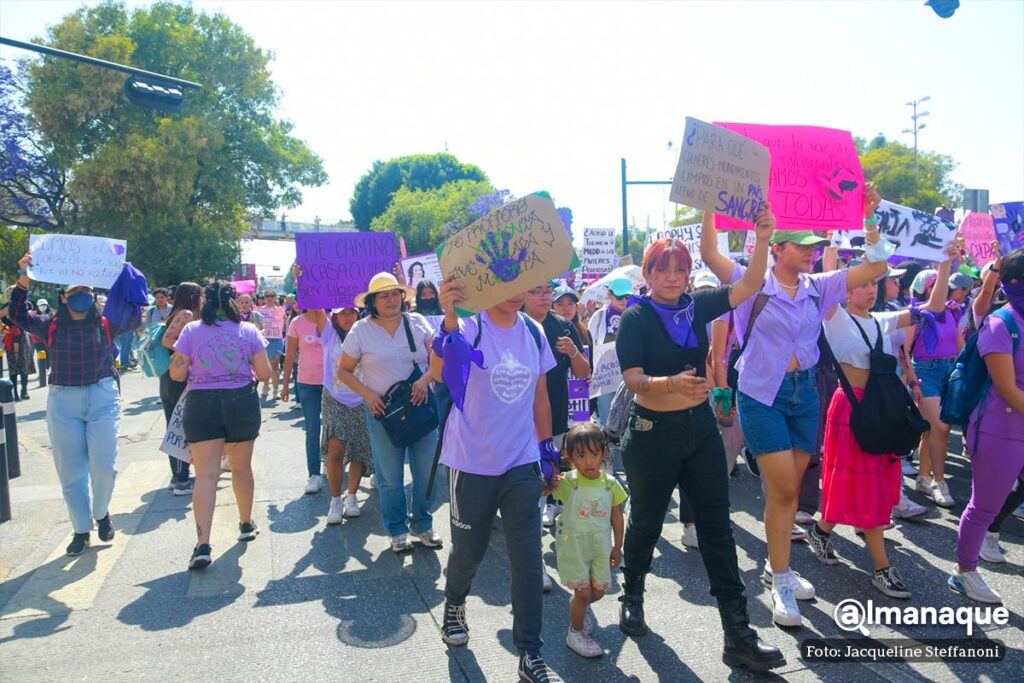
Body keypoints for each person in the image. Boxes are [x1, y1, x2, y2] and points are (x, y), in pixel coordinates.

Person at [701, 183, 891, 629]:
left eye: (816, 246)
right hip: (761, 393)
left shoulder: (820, 286)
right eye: (804, 246)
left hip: (805, 394)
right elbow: (711, 255)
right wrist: (712, 203)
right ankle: (782, 579)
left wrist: (870, 218)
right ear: (780, 247)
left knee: (788, 490)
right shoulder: (752, 282)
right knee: (785, 490)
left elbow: (877, 266)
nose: (813, 252)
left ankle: (776, 563)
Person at [615, 206, 784, 673]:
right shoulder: (635, 318)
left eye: (680, 268)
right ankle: (633, 596)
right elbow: (632, 378)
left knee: (718, 530)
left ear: (690, 274)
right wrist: (668, 384)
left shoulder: (699, 305)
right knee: (646, 523)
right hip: (651, 436)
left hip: (700, 432)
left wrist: (762, 237)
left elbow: (750, 285)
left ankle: (738, 634)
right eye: (661, 268)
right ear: (647, 274)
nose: (672, 276)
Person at [432, 277, 564, 683]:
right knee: (469, 551)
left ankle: (530, 652)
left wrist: (545, 451)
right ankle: (455, 602)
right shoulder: (471, 326)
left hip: (520, 462)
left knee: (526, 558)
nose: (515, 291)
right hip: (471, 461)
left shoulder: (533, 330)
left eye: (522, 283)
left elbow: (541, 397)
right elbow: (439, 373)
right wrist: (450, 319)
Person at [812, 259, 950, 598]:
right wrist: (833, 245)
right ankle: (882, 568)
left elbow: (933, 306)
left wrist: (945, 267)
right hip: (852, 411)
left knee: (866, 482)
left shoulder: (881, 321)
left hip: (881, 411)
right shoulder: (835, 317)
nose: (870, 289)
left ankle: (820, 529)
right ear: (845, 287)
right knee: (859, 483)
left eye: (875, 283)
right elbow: (826, 284)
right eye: (862, 283)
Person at [10, 253, 130, 556]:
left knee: (104, 467)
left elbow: (134, 312)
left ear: (93, 295)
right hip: (64, 401)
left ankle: (101, 513)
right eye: (74, 293)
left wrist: (125, 271)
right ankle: (80, 529)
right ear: (63, 297)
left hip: (102, 397)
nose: (81, 297)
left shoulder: (106, 324)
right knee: (70, 471)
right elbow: (18, 315)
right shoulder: (49, 325)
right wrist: (24, 276)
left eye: (86, 292)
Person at [170, 280, 271, 570]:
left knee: (206, 476)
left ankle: (202, 545)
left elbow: (177, 374)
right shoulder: (248, 330)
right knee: (240, 468)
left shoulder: (191, 330)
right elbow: (264, 373)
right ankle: (245, 523)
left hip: (201, 405)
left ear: (205, 303)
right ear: (232, 303)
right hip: (241, 402)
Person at [339, 272, 440, 553]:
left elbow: (438, 359)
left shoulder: (418, 322)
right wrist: (368, 394)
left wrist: (425, 380)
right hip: (383, 412)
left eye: (395, 293)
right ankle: (396, 528)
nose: (391, 299)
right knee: (389, 477)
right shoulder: (360, 330)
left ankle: (423, 523)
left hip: (421, 407)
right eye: (384, 295)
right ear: (372, 301)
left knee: (427, 472)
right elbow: (344, 371)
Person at [950, 248, 1024, 603]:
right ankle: (964, 572)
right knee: (985, 507)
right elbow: (1008, 389)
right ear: (1015, 284)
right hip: (999, 430)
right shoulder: (1000, 324)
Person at [552, 423, 626, 658]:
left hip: (600, 547)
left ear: (604, 454)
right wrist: (548, 478)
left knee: (599, 592)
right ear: (570, 457)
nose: (589, 461)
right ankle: (575, 632)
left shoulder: (610, 484)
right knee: (583, 593)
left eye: (595, 454)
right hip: (573, 546)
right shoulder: (568, 482)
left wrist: (618, 546)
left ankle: (578, 608)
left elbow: (617, 517)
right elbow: (545, 491)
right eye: (581, 455)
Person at [523, 280, 591, 529]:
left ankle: (550, 507)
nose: (543, 297)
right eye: (535, 290)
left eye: (547, 291)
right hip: (517, 416)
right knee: (523, 476)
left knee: (548, 470)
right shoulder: (513, 322)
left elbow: (584, 372)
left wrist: (574, 352)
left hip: (555, 413)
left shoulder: (562, 326)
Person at [909, 264, 962, 508]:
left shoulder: (953, 312)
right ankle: (939, 483)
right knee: (940, 428)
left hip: (948, 371)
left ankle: (922, 477)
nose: (940, 291)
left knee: (933, 429)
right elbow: (904, 350)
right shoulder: (916, 313)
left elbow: (959, 343)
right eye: (933, 287)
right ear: (923, 290)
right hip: (925, 373)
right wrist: (912, 379)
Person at [315, 305, 374, 522]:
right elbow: (315, 304)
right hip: (334, 398)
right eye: (343, 313)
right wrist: (302, 278)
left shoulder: (367, 331)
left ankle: (352, 496)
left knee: (359, 448)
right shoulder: (328, 333)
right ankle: (335, 499)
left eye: (352, 312)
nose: (348, 317)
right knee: (335, 450)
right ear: (335, 317)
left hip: (361, 397)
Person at [159, 282, 205, 494]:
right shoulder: (186, 313)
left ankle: (178, 474)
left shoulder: (178, 312)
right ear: (193, 296)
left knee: (175, 423)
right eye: (201, 296)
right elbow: (168, 340)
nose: (203, 299)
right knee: (180, 425)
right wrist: (188, 349)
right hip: (177, 379)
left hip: (170, 378)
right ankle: (181, 479)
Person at [281, 294, 327, 495]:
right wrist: (284, 386)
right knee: (312, 428)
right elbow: (290, 355)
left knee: (333, 428)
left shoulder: (332, 321)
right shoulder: (296, 323)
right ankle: (314, 474)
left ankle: (332, 463)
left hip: (331, 383)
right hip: (307, 384)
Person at [588, 276, 634, 473]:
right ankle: (610, 465)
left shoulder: (636, 314)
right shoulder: (598, 318)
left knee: (631, 418)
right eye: (619, 297)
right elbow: (591, 345)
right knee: (608, 421)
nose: (623, 301)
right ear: (610, 295)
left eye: (626, 296)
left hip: (630, 374)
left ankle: (628, 461)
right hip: (605, 378)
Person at [257, 289, 286, 399]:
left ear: (275, 298)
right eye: (267, 296)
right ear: (264, 298)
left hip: (277, 339)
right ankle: (265, 385)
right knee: (267, 364)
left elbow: (285, 323)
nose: (269, 298)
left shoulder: (280, 310)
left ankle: (275, 390)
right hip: (264, 340)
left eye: (272, 296)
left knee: (275, 364)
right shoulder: (259, 311)